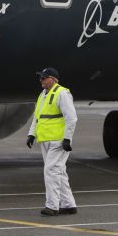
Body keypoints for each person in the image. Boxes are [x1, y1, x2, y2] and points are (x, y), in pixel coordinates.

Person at [26, 67, 78, 216]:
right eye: (40, 77)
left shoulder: (62, 93)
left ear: (53, 79)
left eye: (44, 77)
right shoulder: (42, 94)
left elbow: (71, 118)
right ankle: (69, 204)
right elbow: (38, 117)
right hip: (45, 140)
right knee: (59, 172)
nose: (41, 80)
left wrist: (67, 138)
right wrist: (31, 135)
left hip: (58, 141)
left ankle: (52, 206)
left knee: (51, 171)